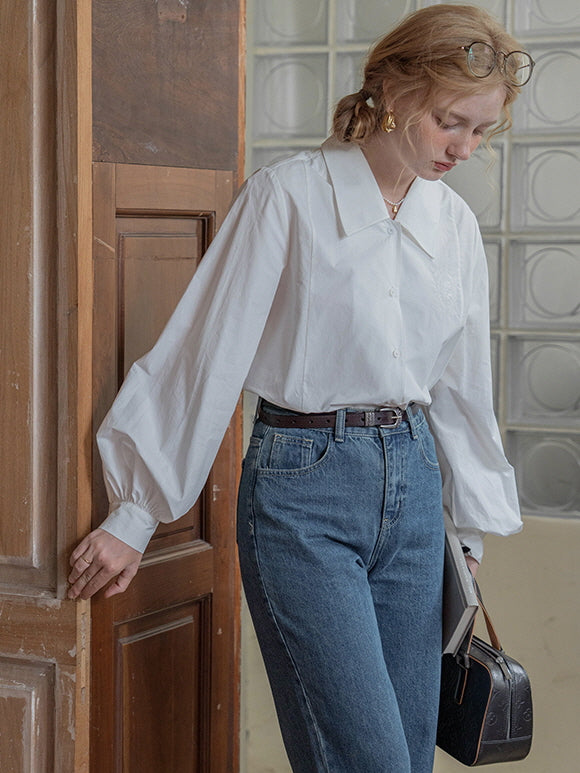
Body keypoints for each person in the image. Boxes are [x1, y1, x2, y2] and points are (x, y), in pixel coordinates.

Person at [68, 5, 533, 771]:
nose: (466, 148)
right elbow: (205, 349)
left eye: (483, 131)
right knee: (369, 759)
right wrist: (135, 510)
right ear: (392, 87)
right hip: (304, 486)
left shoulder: (452, 223)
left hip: (415, 491)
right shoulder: (287, 196)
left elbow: (461, 383)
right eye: (452, 122)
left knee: (412, 757)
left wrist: (468, 525)